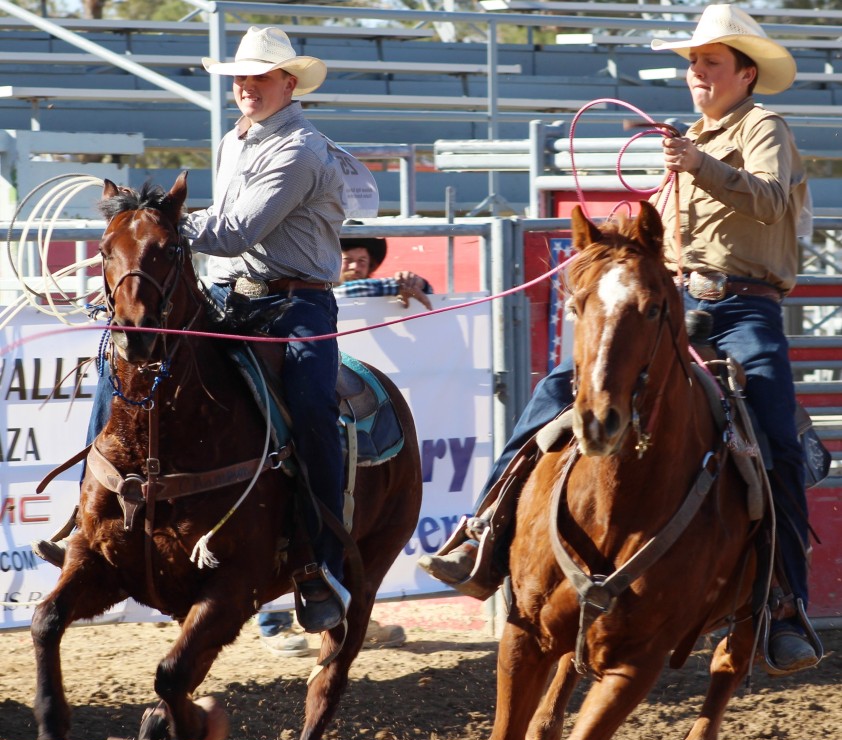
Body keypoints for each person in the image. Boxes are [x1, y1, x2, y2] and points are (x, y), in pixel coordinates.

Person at [419, 4, 820, 675]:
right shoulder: (686, 141)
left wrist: (701, 166)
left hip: (745, 310)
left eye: (710, 62)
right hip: (676, 303)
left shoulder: (763, 129)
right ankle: (484, 531)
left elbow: (775, 200)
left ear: (746, 73)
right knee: (558, 390)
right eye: (693, 62)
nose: (697, 72)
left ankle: (784, 603)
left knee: (775, 435)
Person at [33, 26, 351, 636]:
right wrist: (144, 234)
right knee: (118, 364)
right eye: (240, 78)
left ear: (289, 83)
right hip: (233, 299)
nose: (246, 87)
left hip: (297, 307)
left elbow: (232, 233)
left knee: (313, 409)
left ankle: (319, 563)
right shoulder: (238, 141)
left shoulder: (302, 150)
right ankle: (87, 519)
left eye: (259, 77)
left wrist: (151, 228)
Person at [258, 235, 433, 655]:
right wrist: (399, 286)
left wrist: (414, 282)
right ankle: (274, 618)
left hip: (337, 401)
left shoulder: (331, 292)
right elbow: (353, 291)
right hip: (311, 389)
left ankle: (347, 610)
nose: (354, 266)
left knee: (342, 489)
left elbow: (420, 287)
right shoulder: (316, 291)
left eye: (361, 261)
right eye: (346, 259)